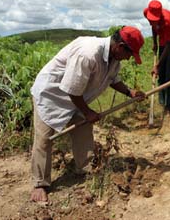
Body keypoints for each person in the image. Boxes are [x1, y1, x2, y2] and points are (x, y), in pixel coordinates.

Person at [30, 26, 146, 202]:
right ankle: (40, 184)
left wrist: (130, 92)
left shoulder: (114, 58)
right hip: (51, 95)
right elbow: (71, 90)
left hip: (77, 97)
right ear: (120, 46)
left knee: (83, 130)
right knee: (44, 139)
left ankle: (84, 169)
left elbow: (112, 79)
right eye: (129, 54)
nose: (129, 58)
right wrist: (88, 112)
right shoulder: (88, 54)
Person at [144, 0, 170, 114]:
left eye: (154, 20)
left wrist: (157, 65)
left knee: (169, 75)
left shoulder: (168, 20)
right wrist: (154, 42)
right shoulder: (147, 13)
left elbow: (169, 45)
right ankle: (162, 100)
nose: (151, 22)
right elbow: (153, 27)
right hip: (162, 42)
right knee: (161, 74)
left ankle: (169, 106)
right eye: (150, 20)